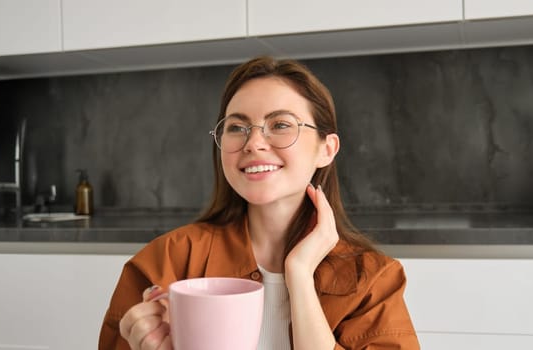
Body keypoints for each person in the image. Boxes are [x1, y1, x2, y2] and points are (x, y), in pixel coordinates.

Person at [99, 56, 420, 349]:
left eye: (280, 124)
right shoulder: (164, 261)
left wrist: (299, 274)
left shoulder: (374, 280)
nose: (253, 143)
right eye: (237, 127)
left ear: (327, 148)